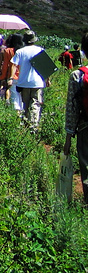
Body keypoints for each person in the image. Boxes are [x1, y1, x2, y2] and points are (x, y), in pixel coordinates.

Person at [64, 32, 88, 205]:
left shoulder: (77, 76)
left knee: (86, 166)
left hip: (85, 126)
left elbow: (72, 110)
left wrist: (68, 138)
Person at [10, 30, 46, 131]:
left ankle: (25, 124)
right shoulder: (40, 50)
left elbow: (14, 64)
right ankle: (33, 126)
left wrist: (11, 78)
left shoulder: (20, 51)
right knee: (35, 103)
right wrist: (47, 79)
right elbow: (45, 66)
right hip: (37, 82)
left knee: (25, 104)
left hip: (23, 82)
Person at [0, 34, 24, 103]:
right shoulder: (23, 51)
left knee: (14, 94)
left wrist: (3, 76)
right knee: (22, 95)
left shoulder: (8, 51)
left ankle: (17, 111)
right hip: (23, 75)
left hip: (12, 75)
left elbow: (5, 65)